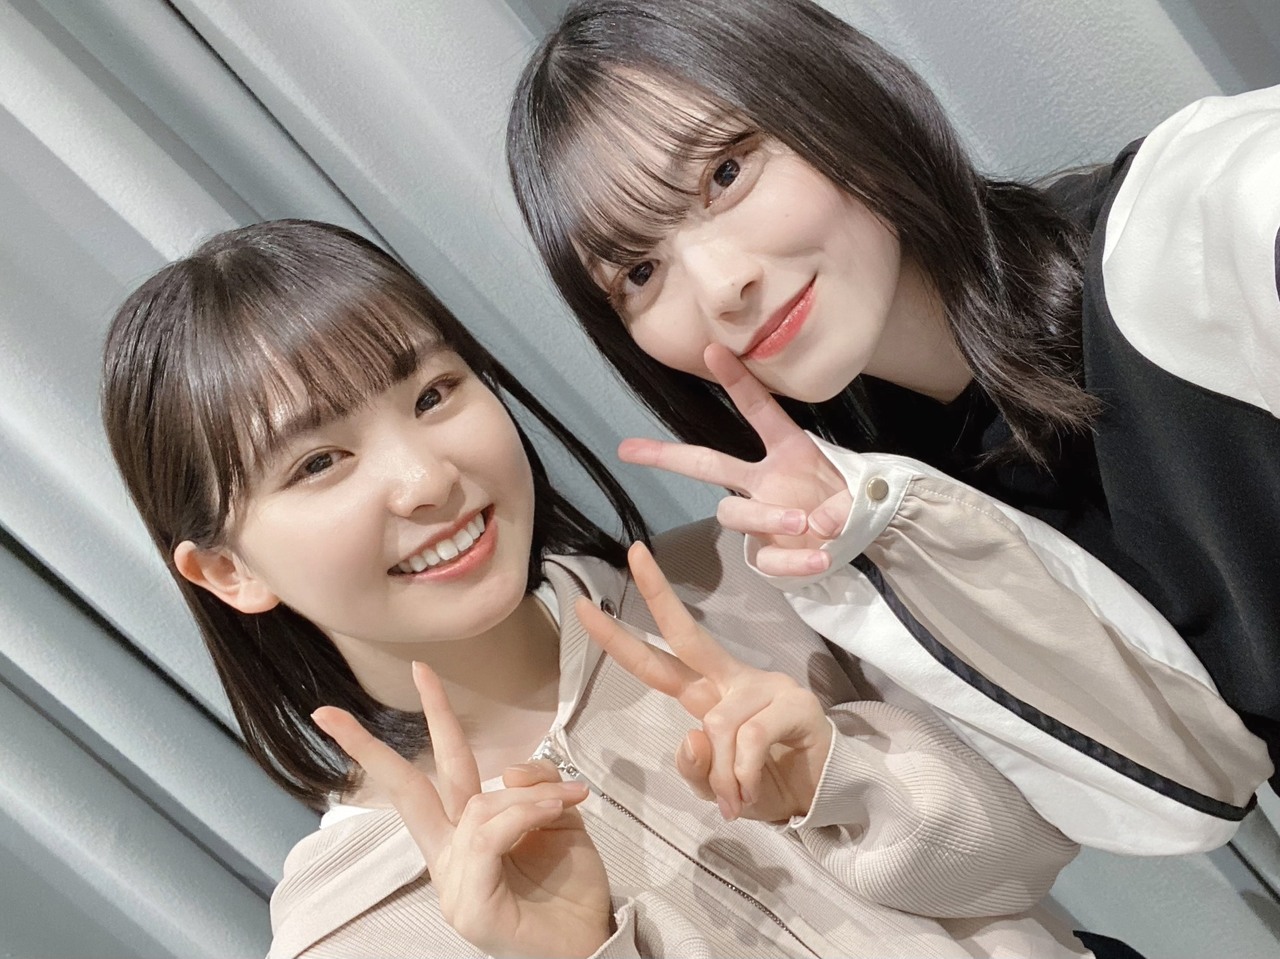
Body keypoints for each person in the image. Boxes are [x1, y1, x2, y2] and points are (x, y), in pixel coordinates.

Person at [101, 218, 1133, 957]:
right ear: (227, 569)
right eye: (320, 462)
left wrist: (842, 774)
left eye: (434, 391)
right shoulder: (354, 929)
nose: (425, 479)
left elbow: (1041, 849)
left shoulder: (748, 575)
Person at [505, 0, 1280, 807]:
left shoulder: (1198, 227)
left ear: (832, 95)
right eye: (639, 272)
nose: (721, 285)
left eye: (725, 174)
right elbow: (1191, 792)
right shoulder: (905, 501)